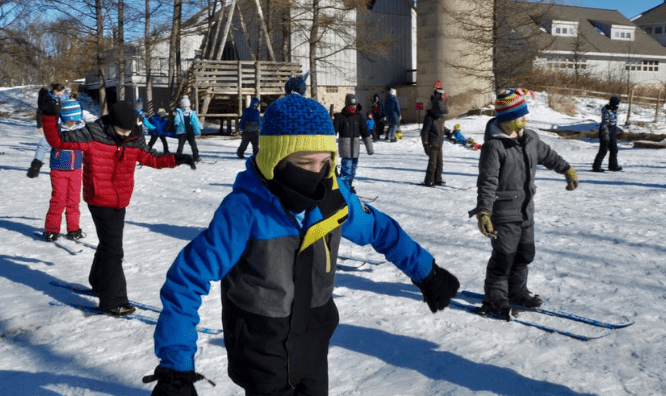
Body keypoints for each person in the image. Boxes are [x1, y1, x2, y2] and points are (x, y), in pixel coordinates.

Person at [144, 93, 460, 396]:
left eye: (325, 162)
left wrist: (426, 271)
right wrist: (177, 367)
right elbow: (188, 278)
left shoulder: (333, 197)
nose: (317, 173)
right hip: (261, 343)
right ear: (274, 159)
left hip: (313, 333)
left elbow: (380, 229)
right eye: (305, 162)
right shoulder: (246, 209)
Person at [38, 97, 197, 317]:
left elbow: (152, 158)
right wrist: (48, 116)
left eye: (128, 130)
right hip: (99, 198)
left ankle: (98, 281)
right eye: (121, 130)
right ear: (111, 122)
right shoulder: (93, 133)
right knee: (114, 250)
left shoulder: (134, 137)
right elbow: (59, 141)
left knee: (108, 244)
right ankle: (113, 301)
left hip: (120, 199)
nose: (125, 134)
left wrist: (177, 159)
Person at [468, 88, 578, 320]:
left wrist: (567, 169)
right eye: (519, 116)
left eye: (524, 114)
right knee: (504, 257)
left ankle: (517, 290)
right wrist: (484, 213)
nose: (524, 119)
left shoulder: (530, 139)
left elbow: (550, 156)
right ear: (507, 119)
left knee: (525, 254)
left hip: (526, 211)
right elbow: (487, 182)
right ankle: (495, 298)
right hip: (504, 213)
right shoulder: (494, 147)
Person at [28, 99, 86, 242]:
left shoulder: (81, 130)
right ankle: (52, 230)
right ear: (64, 117)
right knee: (58, 200)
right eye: (69, 120)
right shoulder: (55, 130)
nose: (72, 123)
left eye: (75, 120)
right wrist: (36, 163)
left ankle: (73, 229)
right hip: (58, 170)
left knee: (74, 201)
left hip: (77, 170)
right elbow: (42, 146)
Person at [334, 93, 373, 193]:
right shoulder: (341, 117)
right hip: (345, 150)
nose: (353, 108)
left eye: (354, 106)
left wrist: (369, 147)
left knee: (352, 172)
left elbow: (364, 131)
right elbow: (333, 131)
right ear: (346, 105)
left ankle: (348, 187)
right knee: (346, 172)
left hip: (355, 150)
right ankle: (344, 191)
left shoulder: (359, 117)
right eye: (351, 106)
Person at [420, 87, 448, 186]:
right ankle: (429, 180)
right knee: (432, 164)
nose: (441, 115)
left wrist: (448, 132)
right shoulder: (429, 118)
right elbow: (424, 132)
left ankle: (437, 179)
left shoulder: (441, 118)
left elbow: (442, 128)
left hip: (439, 144)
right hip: (432, 144)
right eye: (440, 113)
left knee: (439, 163)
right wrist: (426, 144)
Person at [592, 96, 622, 172]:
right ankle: (596, 167)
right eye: (616, 104)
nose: (617, 106)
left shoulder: (614, 110)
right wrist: (606, 134)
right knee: (603, 150)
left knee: (614, 150)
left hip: (612, 131)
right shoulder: (606, 110)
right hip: (605, 131)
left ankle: (613, 166)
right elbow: (606, 122)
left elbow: (614, 122)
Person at [175, 95, 203, 163]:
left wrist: (200, 127)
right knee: (180, 146)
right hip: (182, 132)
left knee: (194, 145)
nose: (186, 108)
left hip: (190, 132)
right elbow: (177, 119)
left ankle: (196, 157)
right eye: (185, 106)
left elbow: (196, 121)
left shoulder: (192, 113)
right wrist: (176, 123)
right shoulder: (179, 112)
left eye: (187, 106)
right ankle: (178, 158)